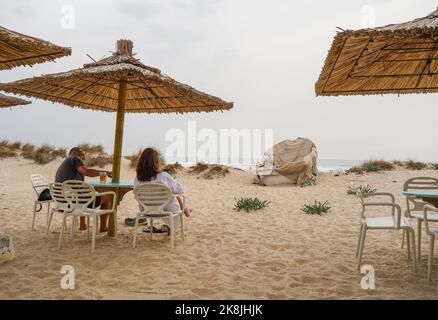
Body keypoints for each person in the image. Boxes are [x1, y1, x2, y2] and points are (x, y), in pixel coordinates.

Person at [134, 148, 192, 234]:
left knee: (169, 194)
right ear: (156, 162)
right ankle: (184, 211)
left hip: (146, 210)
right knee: (171, 194)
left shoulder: (137, 179)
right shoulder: (163, 176)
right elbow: (179, 190)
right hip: (166, 210)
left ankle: (184, 210)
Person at [55, 147, 112, 232]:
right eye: (83, 155)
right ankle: (103, 228)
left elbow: (78, 188)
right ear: (76, 153)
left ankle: (82, 225)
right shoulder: (75, 159)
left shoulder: (64, 165)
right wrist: (106, 173)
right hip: (72, 203)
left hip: (62, 203)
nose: (84, 158)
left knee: (84, 195)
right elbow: (86, 172)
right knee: (106, 198)